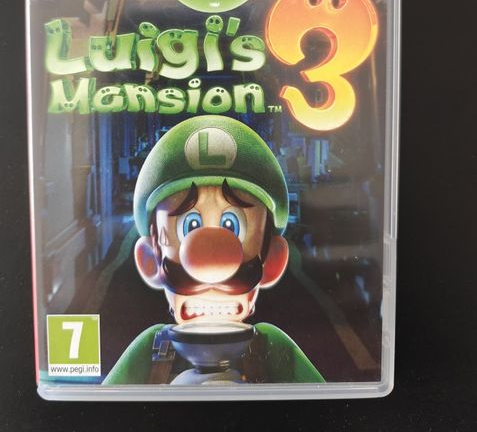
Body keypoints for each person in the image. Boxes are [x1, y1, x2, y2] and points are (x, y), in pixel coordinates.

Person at [103, 115, 324, 385]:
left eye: (232, 225)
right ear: (150, 259)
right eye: (190, 226)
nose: (211, 267)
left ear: (272, 260)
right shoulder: (153, 348)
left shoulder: (271, 346)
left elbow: (328, 407)